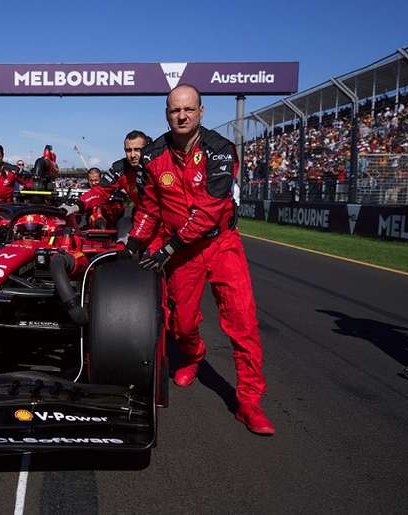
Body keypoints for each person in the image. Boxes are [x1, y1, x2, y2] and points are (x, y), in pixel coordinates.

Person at [126, 84, 275, 436]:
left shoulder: (220, 150)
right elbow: (148, 209)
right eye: (175, 110)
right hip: (183, 253)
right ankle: (193, 355)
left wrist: (166, 248)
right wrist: (132, 243)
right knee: (182, 324)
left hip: (221, 244)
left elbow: (209, 212)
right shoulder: (153, 156)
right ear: (166, 113)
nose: (182, 116)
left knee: (242, 321)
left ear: (201, 112)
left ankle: (249, 402)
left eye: (189, 110)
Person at [63, 130, 149, 227]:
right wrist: (76, 206)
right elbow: (100, 191)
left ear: (147, 148)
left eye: (137, 150)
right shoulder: (120, 168)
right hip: (144, 218)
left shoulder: (159, 165)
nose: (132, 155)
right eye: (128, 150)